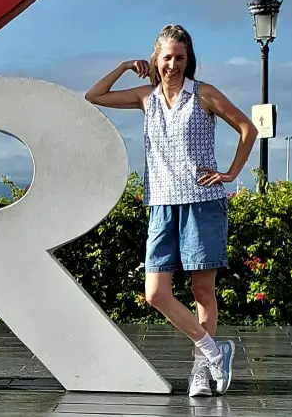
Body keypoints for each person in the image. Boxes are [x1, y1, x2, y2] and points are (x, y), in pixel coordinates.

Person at [85, 24, 257, 397]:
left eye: (180, 57)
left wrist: (231, 173)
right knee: (155, 292)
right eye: (167, 57)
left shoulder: (204, 94)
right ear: (155, 59)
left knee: (201, 289)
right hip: (161, 203)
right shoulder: (145, 98)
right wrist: (123, 67)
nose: (173, 65)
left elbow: (247, 128)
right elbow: (94, 95)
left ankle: (201, 370)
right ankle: (214, 351)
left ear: (188, 59)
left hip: (202, 202)